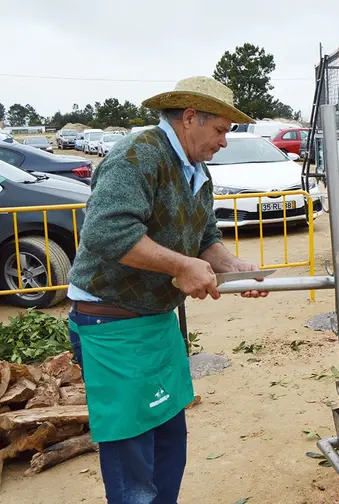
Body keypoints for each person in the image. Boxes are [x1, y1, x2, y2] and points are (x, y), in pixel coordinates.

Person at [66, 76, 267, 503]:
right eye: (220, 131)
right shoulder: (137, 156)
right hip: (112, 325)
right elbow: (106, 231)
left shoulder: (197, 169)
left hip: (156, 324)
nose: (224, 142)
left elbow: (206, 236)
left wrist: (233, 267)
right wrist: (180, 265)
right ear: (190, 117)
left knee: (169, 446)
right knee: (133, 463)